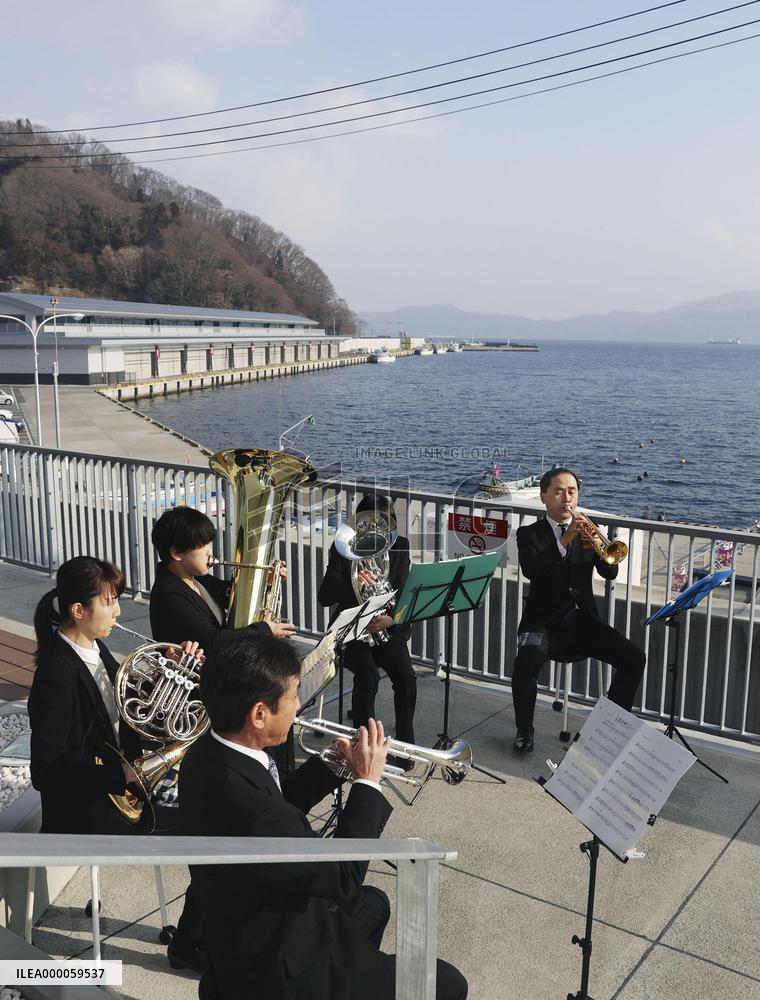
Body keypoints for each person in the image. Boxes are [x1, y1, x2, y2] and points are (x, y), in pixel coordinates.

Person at [179, 634, 468, 1000]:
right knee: (449, 984)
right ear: (258, 714)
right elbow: (343, 875)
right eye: (294, 696)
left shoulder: (206, 756)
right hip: (283, 971)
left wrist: (331, 767)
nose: (299, 707)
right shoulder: (257, 813)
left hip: (255, 925)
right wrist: (367, 782)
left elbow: (276, 805)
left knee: (374, 904)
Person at [28, 555, 201, 833]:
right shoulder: (55, 675)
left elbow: (126, 703)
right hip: (89, 810)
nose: (118, 612)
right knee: (205, 822)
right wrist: (121, 774)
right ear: (78, 610)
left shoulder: (95, 647)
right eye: (109, 603)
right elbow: (46, 772)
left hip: (122, 791)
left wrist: (173, 670)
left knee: (208, 801)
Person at [511, 468, 646, 752]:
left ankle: (607, 730)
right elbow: (533, 571)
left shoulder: (588, 528)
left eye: (572, 491)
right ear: (544, 496)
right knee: (525, 664)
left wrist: (599, 546)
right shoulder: (529, 534)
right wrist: (563, 542)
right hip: (543, 621)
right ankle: (524, 731)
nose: (566, 498)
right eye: (559, 491)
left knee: (634, 658)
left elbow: (610, 572)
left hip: (582, 620)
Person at [318, 494, 417, 746]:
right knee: (367, 674)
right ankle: (363, 742)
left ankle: (406, 741)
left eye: (384, 525)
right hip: (352, 632)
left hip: (385, 628)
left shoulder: (400, 547)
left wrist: (390, 620)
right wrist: (351, 584)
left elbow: (404, 594)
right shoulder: (343, 549)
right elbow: (325, 596)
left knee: (406, 677)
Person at [149, 506, 294, 658]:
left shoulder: (194, 577)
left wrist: (266, 582)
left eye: (209, 544)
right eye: (202, 545)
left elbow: (228, 595)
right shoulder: (168, 593)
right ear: (177, 553)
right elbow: (212, 640)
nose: (209, 552)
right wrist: (264, 630)